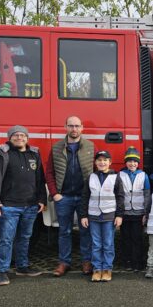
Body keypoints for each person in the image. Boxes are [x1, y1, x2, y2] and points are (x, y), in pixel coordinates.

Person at [0, 125, 46, 286]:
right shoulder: (1, 154)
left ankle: (22, 267)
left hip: (30, 206)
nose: (19, 138)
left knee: (25, 238)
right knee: (6, 239)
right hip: (9, 206)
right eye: (15, 135)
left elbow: (40, 180)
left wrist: (42, 200)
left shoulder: (34, 154)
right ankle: (3, 272)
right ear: (10, 137)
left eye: (22, 135)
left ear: (27, 138)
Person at [46, 116, 96, 277]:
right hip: (64, 197)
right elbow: (49, 172)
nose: (74, 129)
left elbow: (96, 171)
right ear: (65, 127)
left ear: (82, 127)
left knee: (85, 231)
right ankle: (64, 263)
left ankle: (86, 262)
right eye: (70, 126)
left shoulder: (90, 146)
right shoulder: (56, 148)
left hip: (84, 197)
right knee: (64, 231)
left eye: (77, 126)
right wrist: (55, 194)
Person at [80, 151, 124, 282]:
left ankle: (107, 269)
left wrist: (119, 215)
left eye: (105, 160)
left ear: (110, 162)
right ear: (95, 163)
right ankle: (97, 269)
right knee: (96, 244)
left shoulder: (116, 177)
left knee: (108, 243)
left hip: (109, 216)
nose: (102, 162)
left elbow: (120, 197)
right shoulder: (91, 177)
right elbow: (85, 197)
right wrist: (83, 215)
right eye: (99, 160)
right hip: (93, 216)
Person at [118, 146, 151, 271]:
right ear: (126, 162)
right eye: (129, 161)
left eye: (135, 161)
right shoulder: (120, 175)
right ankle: (127, 262)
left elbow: (147, 195)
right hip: (125, 213)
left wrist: (145, 213)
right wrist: (118, 213)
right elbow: (118, 195)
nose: (132, 163)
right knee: (125, 238)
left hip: (138, 213)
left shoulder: (143, 175)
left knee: (138, 239)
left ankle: (138, 262)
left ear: (138, 163)